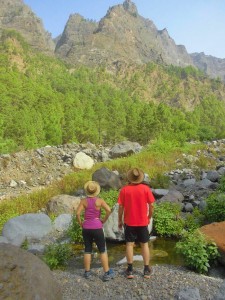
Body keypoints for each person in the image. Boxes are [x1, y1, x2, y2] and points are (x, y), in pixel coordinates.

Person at [118, 167, 155, 279]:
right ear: (140, 178)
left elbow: (121, 207)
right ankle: (146, 270)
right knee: (144, 244)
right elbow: (151, 205)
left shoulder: (124, 190)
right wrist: (149, 216)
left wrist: (119, 220)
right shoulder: (145, 189)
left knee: (129, 244)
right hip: (143, 222)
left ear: (130, 178)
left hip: (129, 222)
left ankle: (130, 270)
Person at [76, 180, 115, 281]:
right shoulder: (99, 201)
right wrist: (104, 220)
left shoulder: (83, 201)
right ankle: (106, 273)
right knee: (102, 250)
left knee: (87, 249)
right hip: (97, 227)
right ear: (96, 191)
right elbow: (109, 210)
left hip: (86, 227)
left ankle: (87, 272)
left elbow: (77, 214)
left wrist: (81, 223)